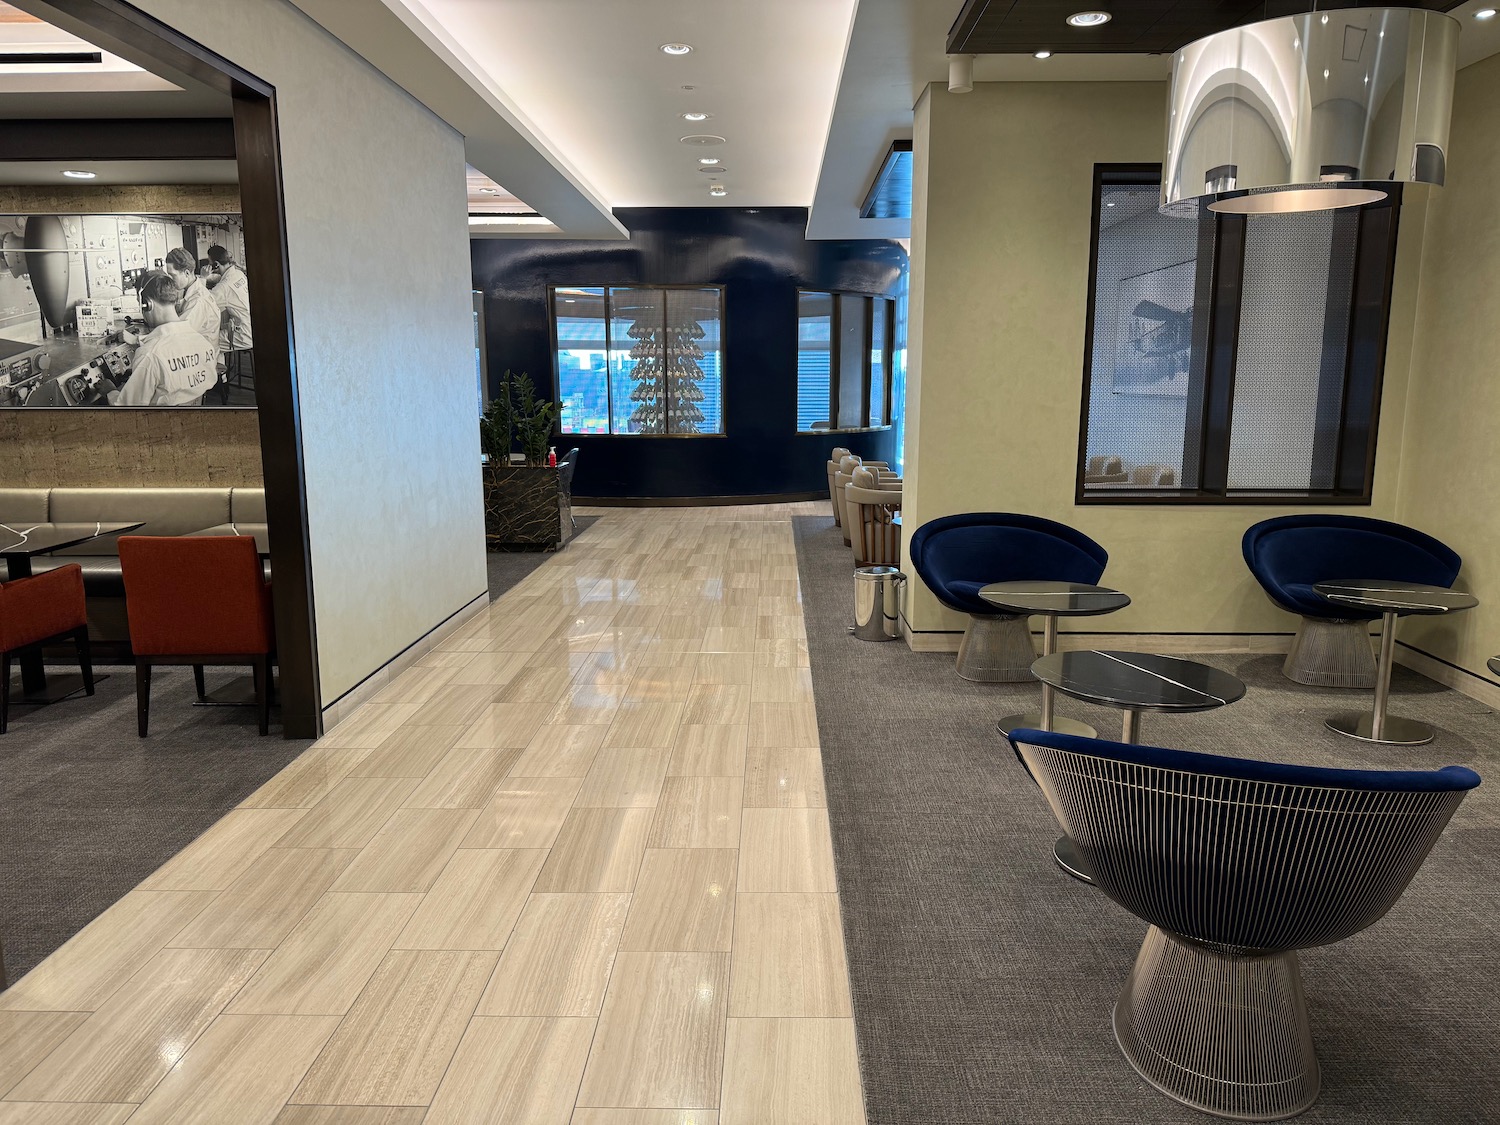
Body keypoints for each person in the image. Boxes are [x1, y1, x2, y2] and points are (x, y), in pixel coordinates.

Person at [104, 271, 218, 407]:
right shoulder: (203, 344)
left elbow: (127, 406)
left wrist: (110, 391)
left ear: (147, 304)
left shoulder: (150, 355)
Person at [207, 244, 253, 353]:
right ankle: (222, 369)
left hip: (243, 334)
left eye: (210, 263)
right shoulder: (239, 273)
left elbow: (204, 303)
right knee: (218, 332)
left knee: (207, 342)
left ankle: (219, 370)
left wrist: (203, 278)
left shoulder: (223, 287)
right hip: (251, 326)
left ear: (216, 265)